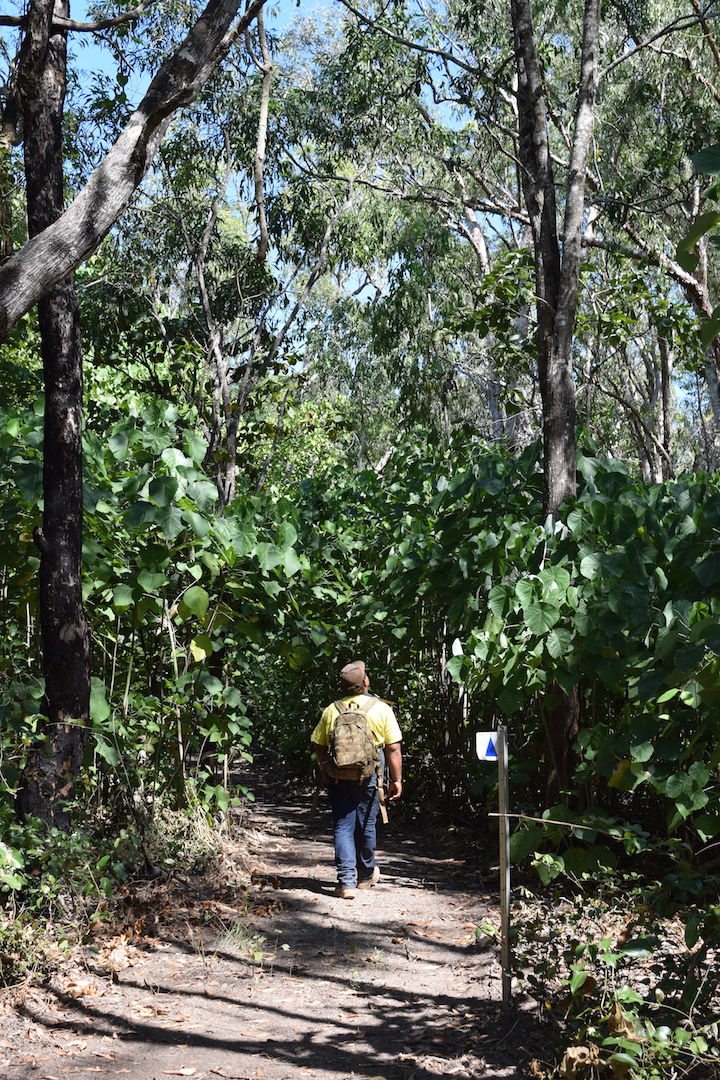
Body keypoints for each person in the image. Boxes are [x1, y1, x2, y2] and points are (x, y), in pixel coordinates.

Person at [311, 660, 402, 899]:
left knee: (343, 826)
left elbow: (318, 744)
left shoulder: (333, 709)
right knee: (366, 824)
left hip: (338, 777)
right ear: (366, 682)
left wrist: (324, 767)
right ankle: (365, 876)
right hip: (369, 776)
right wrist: (397, 780)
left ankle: (345, 882)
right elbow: (393, 748)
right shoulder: (380, 709)